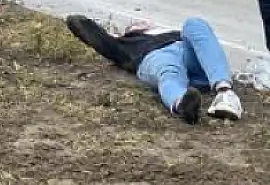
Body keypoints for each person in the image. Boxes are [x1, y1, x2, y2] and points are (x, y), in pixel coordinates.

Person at [65, 15, 243, 123]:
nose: (138, 22)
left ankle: (225, 93)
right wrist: (115, 36)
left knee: (194, 23)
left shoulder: (171, 32)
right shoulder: (123, 44)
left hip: (191, 56)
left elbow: (201, 40)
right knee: (168, 73)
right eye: (133, 24)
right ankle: (182, 103)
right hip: (154, 57)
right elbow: (79, 24)